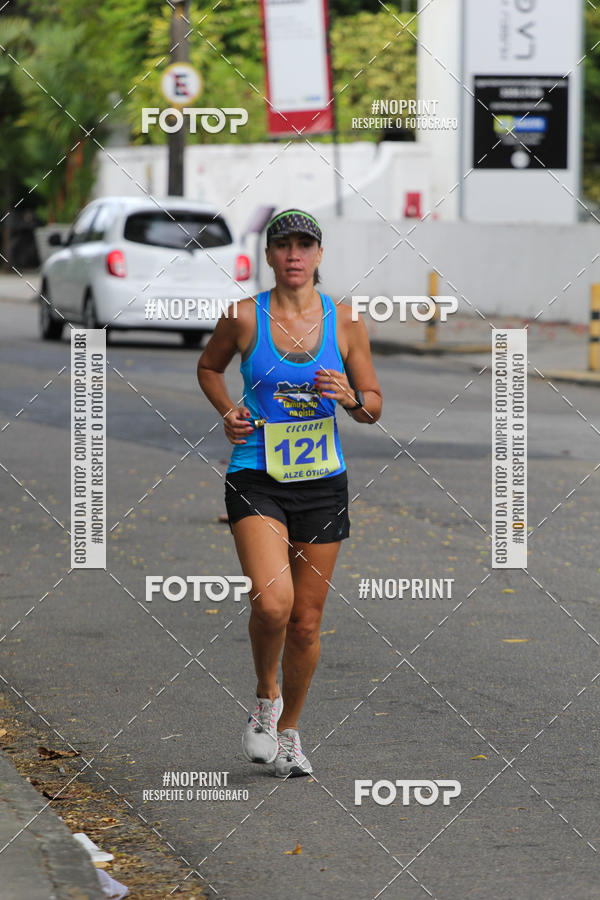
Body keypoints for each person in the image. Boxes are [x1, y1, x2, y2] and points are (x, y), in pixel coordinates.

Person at [197, 209, 382, 777]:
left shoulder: (345, 322)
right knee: (272, 604)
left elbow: (373, 406)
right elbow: (209, 367)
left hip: (323, 482)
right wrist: (229, 411)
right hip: (257, 474)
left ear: (319, 256)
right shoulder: (243, 317)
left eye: (305, 245)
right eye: (284, 246)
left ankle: (291, 732)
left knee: (305, 620)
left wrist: (350, 397)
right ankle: (264, 696)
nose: (295, 255)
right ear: (271, 256)